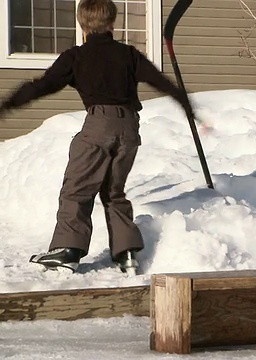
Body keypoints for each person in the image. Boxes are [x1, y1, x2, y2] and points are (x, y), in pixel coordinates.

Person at [0, 0, 195, 275]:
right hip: (129, 129)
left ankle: (68, 250)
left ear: (82, 24)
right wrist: (187, 105)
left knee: (77, 188)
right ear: (112, 23)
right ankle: (126, 252)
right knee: (113, 192)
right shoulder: (129, 55)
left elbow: (43, 86)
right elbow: (159, 81)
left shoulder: (75, 57)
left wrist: (9, 103)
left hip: (99, 125)